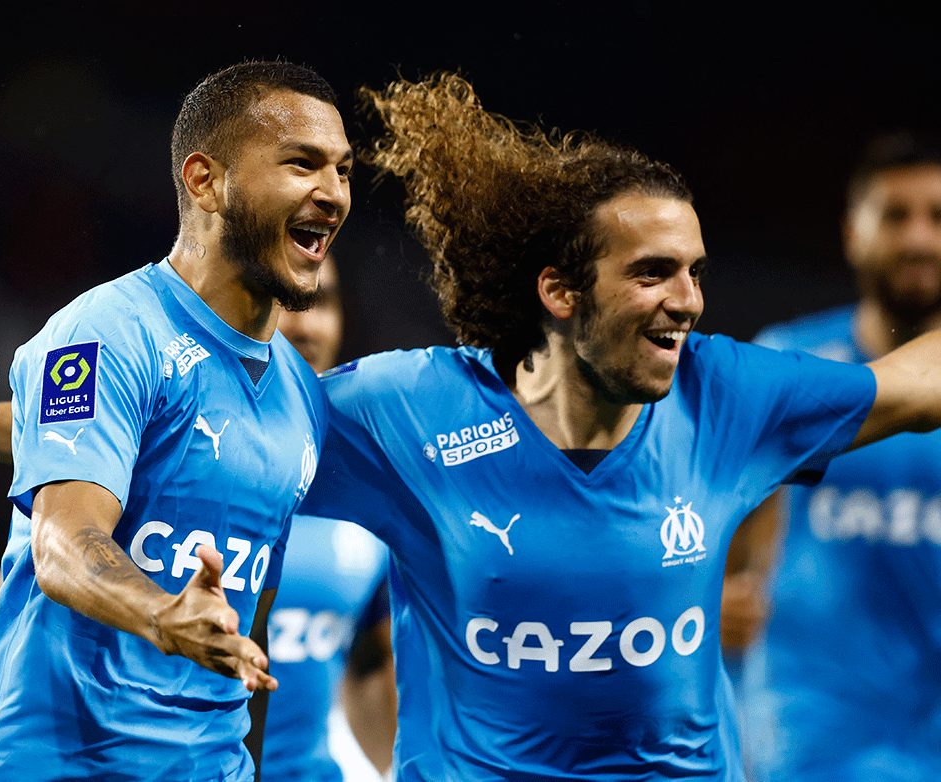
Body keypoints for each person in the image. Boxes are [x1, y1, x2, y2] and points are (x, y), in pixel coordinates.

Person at [292, 74, 941, 781]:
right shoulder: (409, 411)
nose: (688, 301)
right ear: (560, 291)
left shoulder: (724, 396)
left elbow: (916, 386)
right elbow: (216, 440)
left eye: (695, 271)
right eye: (653, 273)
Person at [0, 59, 352, 781]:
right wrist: (161, 615)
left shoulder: (302, 396)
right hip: (42, 764)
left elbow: (247, 635)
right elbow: (65, 544)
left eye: (343, 170)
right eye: (303, 164)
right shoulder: (108, 331)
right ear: (206, 180)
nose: (332, 193)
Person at [0, 255, 397, 782]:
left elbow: (375, 667)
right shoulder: (152, 380)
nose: (307, 322)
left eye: (323, 300)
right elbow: (86, 433)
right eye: (287, 300)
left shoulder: (343, 454)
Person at [724, 130, 941, 780]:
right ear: (853, 231)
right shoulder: (789, 367)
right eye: (895, 216)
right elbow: (704, 527)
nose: (917, 238)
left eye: (936, 217)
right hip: (810, 740)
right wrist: (705, 594)